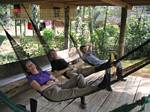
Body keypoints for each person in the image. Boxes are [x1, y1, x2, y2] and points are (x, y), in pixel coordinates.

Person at [26, 60, 111, 109]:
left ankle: (85, 93)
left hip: (59, 86)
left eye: (32, 64)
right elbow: (40, 89)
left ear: (35, 65)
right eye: (29, 66)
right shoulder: (31, 78)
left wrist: (53, 81)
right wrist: (49, 83)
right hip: (51, 93)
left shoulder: (44, 72)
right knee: (74, 91)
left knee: (79, 76)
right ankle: (98, 87)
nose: (31, 66)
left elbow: (56, 80)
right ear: (28, 70)